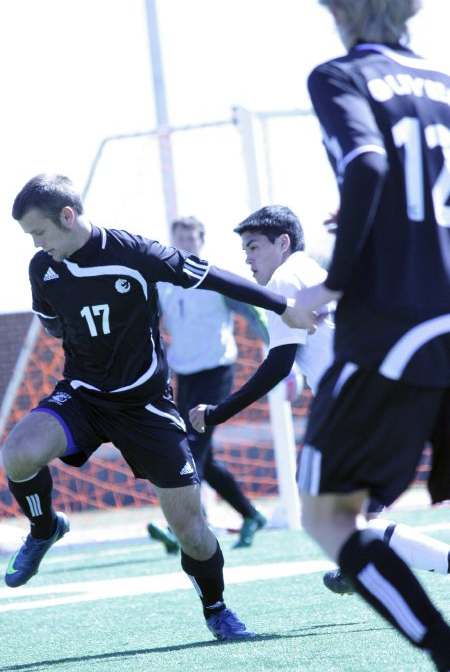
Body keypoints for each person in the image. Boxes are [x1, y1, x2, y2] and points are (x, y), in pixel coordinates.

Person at [2, 173, 300, 642]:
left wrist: (283, 305)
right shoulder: (43, 268)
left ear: (68, 216)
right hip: (82, 394)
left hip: (146, 406)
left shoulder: (135, 254)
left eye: (39, 232)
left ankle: (216, 608)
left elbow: (212, 278)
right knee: (17, 453)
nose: (37, 244)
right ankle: (44, 527)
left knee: (190, 529)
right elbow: (54, 326)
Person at [279, 0, 450, 668]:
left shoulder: (338, 76)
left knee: (328, 513)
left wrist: (333, 282)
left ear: (338, 13)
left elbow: (369, 164)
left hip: (396, 322)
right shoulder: (442, 81)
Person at [189, 204, 450, 593]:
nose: (247, 257)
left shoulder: (283, 281)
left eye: (254, 246)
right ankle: (357, 564)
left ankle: (368, 563)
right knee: (350, 516)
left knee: (328, 513)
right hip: (387, 396)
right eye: (244, 249)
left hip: (358, 406)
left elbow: (278, 365)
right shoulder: (314, 271)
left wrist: (217, 412)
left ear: (283, 242)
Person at [148, 216, 267, 554]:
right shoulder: (164, 283)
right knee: (205, 458)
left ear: (202, 241)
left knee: (189, 450)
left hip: (217, 373)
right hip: (185, 377)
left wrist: (281, 357)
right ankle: (251, 515)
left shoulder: (214, 278)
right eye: (179, 237)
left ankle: (181, 528)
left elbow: (254, 313)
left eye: (191, 236)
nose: (185, 242)